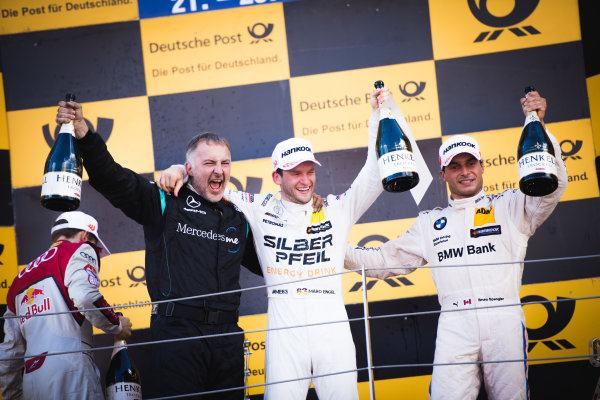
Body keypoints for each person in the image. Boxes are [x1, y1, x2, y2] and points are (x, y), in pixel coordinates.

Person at [157, 87, 417, 399]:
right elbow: (208, 183)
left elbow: (374, 175)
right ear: (277, 177)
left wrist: (378, 116)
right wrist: (178, 170)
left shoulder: (336, 208)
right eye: (295, 173)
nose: (305, 180)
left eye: (309, 171)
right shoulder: (257, 206)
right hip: (284, 333)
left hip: (332, 329)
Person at [344, 90, 567, 399]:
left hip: (503, 318)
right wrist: (336, 251)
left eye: (470, 163)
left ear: (482, 166)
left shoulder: (512, 206)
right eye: (455, 166)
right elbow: (384, 261)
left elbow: (552, 188)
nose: (465, 172)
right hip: (454, 323)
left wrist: (541, 128)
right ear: (443, 173)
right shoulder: (428, 223)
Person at [53, 101, 264, 400]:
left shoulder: (238, 216)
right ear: (189, 169)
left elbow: (275, 260)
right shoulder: (164, 201)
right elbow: (113, 178)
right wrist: (85, 135)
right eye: (209, 163)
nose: (219, 170)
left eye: (225, 163)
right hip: (178, 334)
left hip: (228, 337)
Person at [0, 211, 132, 400]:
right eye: (96, 245)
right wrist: (117, 325)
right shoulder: (80, 249)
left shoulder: (18, 279)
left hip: (33, 383)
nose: (96, 251)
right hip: (71, 372)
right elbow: (85, 296)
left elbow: (9, 353)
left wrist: (13, 396)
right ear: (85, 236)